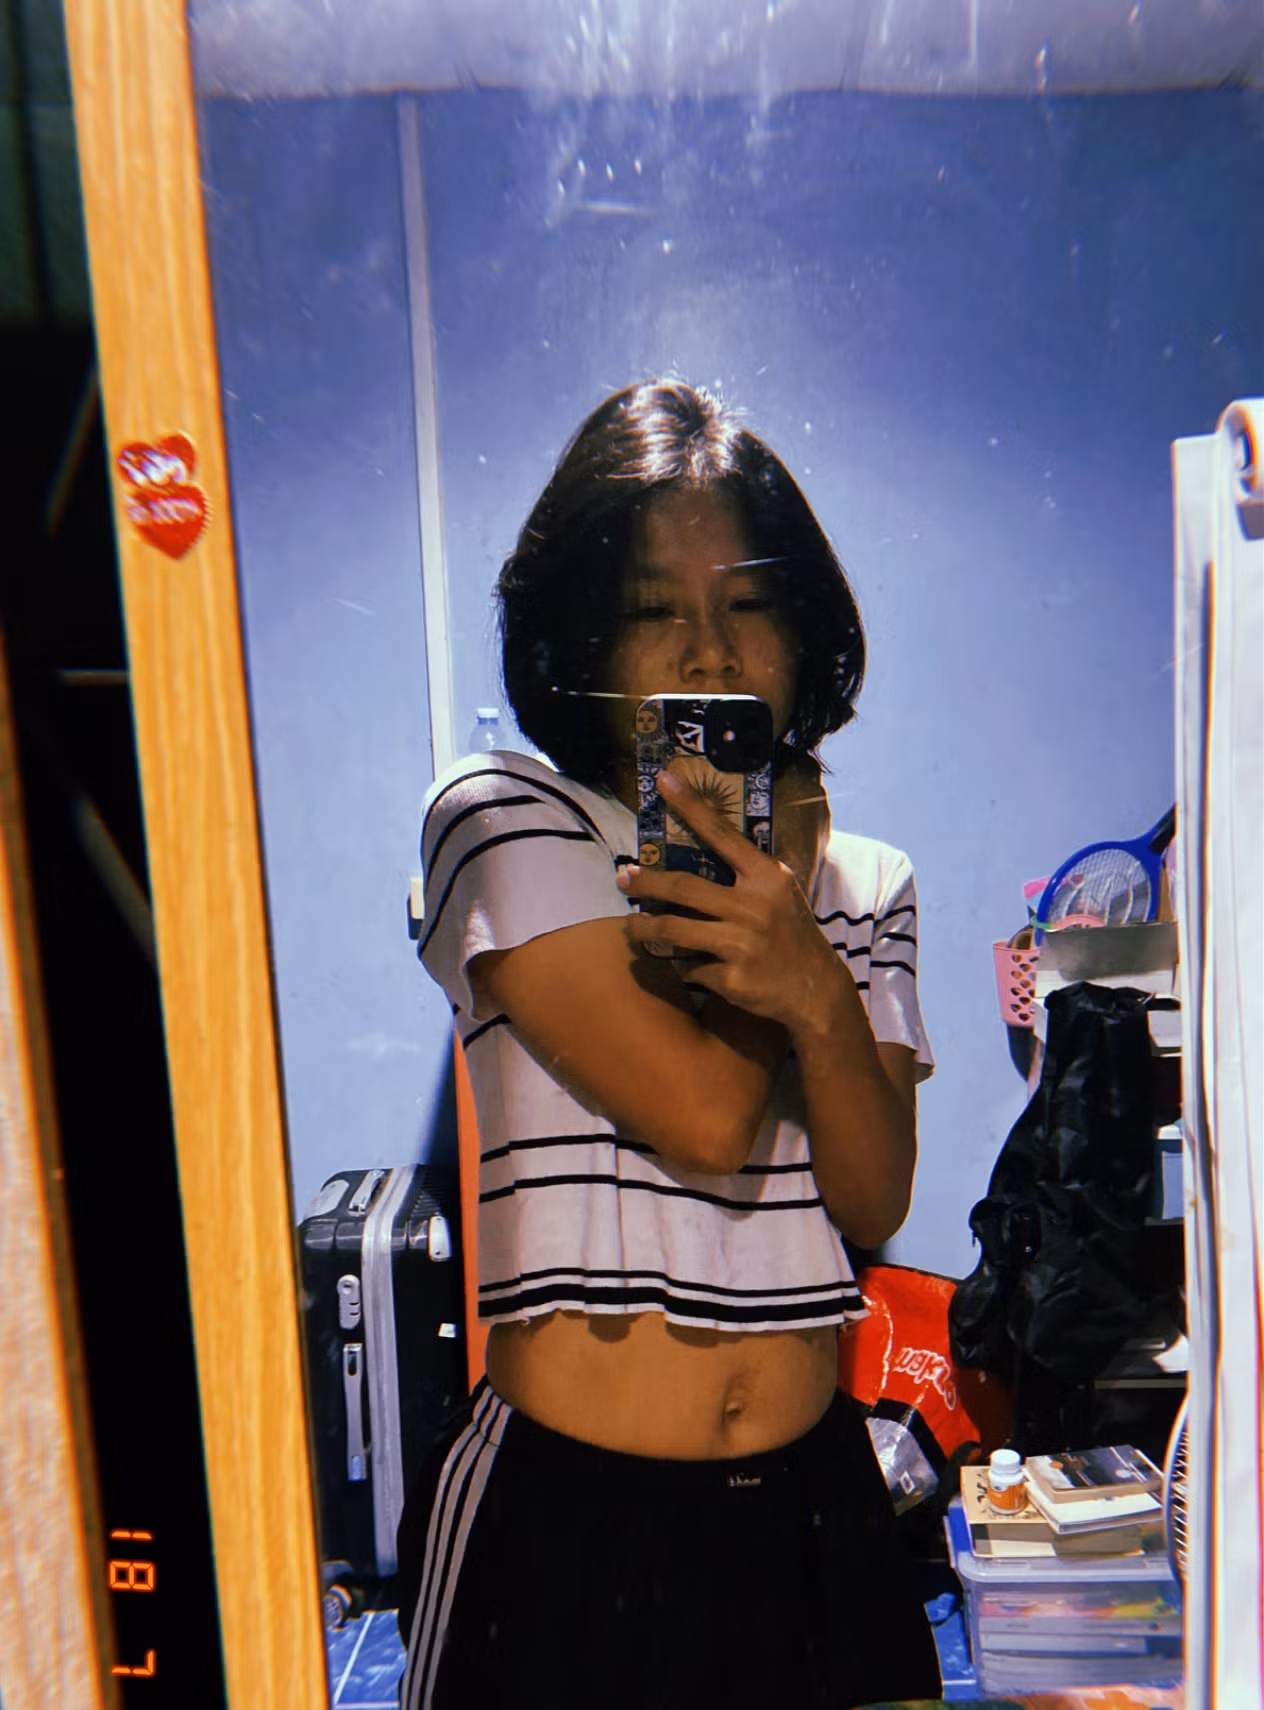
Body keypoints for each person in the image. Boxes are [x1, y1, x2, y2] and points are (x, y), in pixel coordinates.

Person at [397, 378, 942, 1709]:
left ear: (804, 628)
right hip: (564, 1521)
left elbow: (873, 1199)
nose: (708, 651)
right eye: (654, 610)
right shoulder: (501, 819)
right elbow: (706, 1117)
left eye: (748, 603)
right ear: (586, 636)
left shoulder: (871, 882)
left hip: (816, 1509)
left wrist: (818, 982)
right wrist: (779, 866)